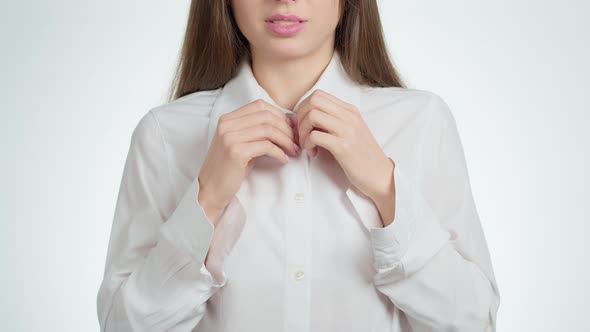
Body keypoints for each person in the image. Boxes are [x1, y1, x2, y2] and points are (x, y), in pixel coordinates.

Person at [96, 0, 500, 331]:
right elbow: (124, 326)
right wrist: (207, 200)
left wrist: (384, 186)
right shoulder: (165, 135)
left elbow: (472, 321)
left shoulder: (420, 123)